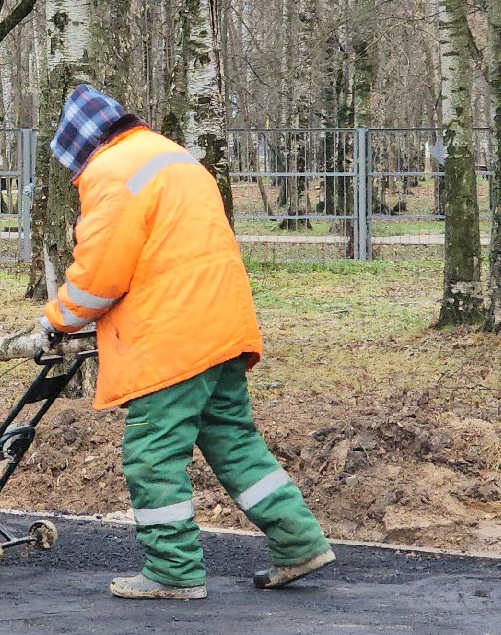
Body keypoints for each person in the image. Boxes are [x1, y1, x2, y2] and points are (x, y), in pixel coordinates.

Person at [39, 84, 334, 600]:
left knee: (152, 453)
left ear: (81, 146)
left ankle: (173, 570)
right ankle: (299, 541)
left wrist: (57, 320)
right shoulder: (172, 155)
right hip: (221, 323)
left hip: (170, 335)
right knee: (234, 440)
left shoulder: (113, 172)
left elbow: (99, 275)